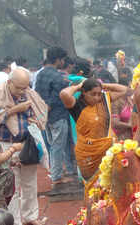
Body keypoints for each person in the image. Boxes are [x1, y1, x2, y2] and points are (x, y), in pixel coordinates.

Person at [0, 68, 48, 225]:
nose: (23, 91)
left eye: (26, 87)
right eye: (20, 88)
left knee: (30, 182)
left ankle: (31, 217)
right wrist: (15, 109)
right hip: (6, 144)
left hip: (26, 143)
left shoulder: (29, 93)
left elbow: (41, 110)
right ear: (9, 82)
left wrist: (34, 120)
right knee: (12, 186)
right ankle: (14, 220)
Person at [60, 78, 129, 181]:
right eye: (93, 94)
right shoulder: (76, 105)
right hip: (88, 154)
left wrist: (103, 85)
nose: (96, 97)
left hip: (107, 149)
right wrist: (78, 87)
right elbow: (64, 94)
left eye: (99, 94)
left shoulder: (104, 100)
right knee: (93, 187)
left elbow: (124, 90)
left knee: (109, 183)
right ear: (84, 92)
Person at [35, 47, 77, 187]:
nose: (63, 62)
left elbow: (38, 95)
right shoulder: (57, 77)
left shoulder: (40, 74)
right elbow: (57, 98)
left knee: (55, 145)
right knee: (57, 146)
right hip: (58, 115)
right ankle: (56, 176)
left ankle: (64, 171)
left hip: (45, 116)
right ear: (58, 59)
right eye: (63, 59)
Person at [112, 68, 133, 140]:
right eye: (130, 87)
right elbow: (114, 123)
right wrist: (129, 125)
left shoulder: (129, 99)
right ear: (123, 88)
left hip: (131, 136)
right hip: (120, 137)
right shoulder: (116, 102)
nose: (132, 89)